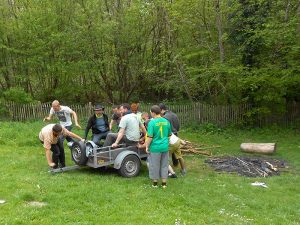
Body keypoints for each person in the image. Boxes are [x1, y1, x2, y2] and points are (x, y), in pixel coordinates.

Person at [145, 105, 172, 188]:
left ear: (153, 113)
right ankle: (164, 184)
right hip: (165, 147)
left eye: (151, 113)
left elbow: (150, 137)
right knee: (164, 164)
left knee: (154, 165)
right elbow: (169, 135)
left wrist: (146, 146)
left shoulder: (152, 123)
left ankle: (155, 183)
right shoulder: (166, 121)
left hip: (155, 148)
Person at [159, 103, 180, 167]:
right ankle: (176, 163)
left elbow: (166, 128)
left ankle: (167, 167)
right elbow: (178, 125)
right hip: (176, 134)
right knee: (176, 151)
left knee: (167, 152)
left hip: (170, 135)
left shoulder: (165, 117)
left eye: (159, 111)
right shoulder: (174, 114)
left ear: (162, 110)